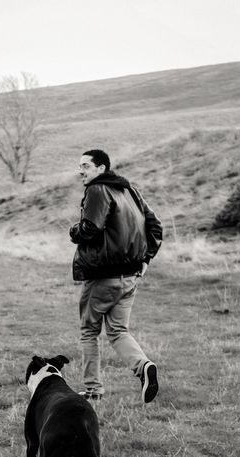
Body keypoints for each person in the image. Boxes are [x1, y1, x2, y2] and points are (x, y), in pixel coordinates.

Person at [69, 149, 163, 402]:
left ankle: (92, 392)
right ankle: (143, 366)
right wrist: (146, 259)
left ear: (101, 169)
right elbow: (155, 226)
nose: (81, 170)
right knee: (118, 331)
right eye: (80, 166)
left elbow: (89, 228)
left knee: (89, 331)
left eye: (86, 165)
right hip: (130, 276)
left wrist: (73, 231)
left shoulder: (97, 190)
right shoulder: (130, 191)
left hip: (102, 277)